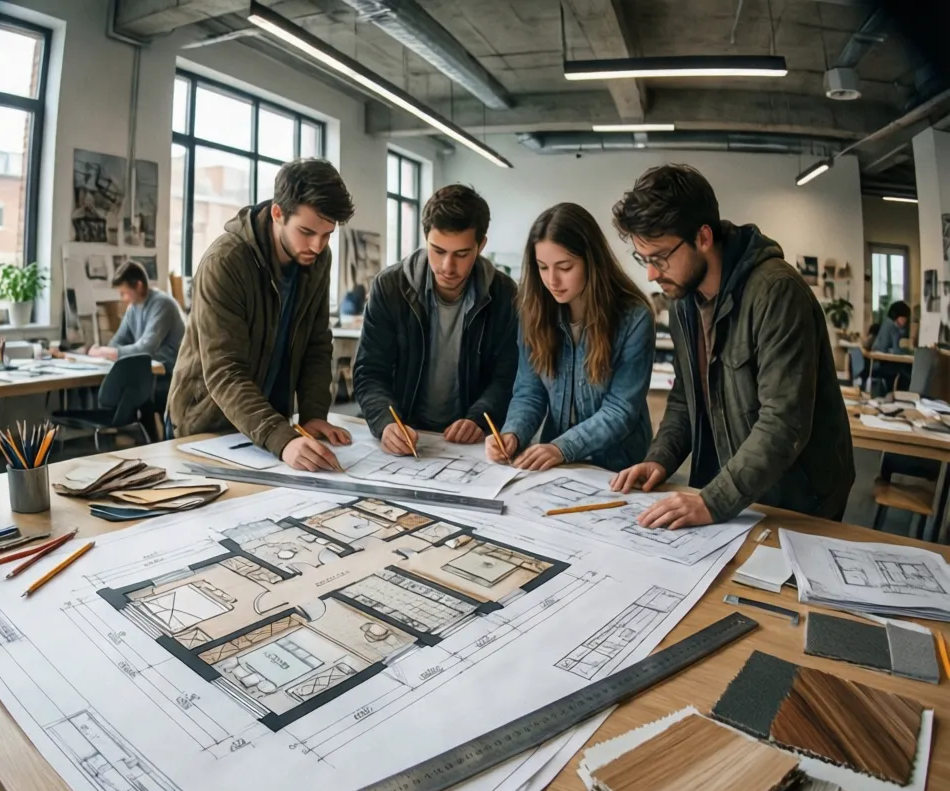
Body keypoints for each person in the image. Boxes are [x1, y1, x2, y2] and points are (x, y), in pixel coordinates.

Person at [610, 164, 854, 526]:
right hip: (736, 492)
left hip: (798, 499)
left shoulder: (776, 292)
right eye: (643, 259)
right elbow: (684, 398)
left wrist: (713, 501)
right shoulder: (683, 302)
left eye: (660, 258)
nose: (651, 274)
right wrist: (659, 458)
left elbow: (783, 422)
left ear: (703, 238)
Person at [166, 158, 355, 471]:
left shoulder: (317, 259)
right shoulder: (225, 262)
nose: (317, 246)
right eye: (307, 231)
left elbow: (317, 344)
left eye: (327, 235)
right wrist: (281, 438)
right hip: (209, 427)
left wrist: (314, 415)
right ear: (278, 213)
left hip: (272, 429)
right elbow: (224, 371)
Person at [485, 202, 654, 471]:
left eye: (564, 267)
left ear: (592, 261)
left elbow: (621, 411)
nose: (552, 280)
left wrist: (562, 447)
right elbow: (530, 392)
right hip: (557, 465)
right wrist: (512, 434)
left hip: (619, 466)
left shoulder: (635, 318)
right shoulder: (533, 312)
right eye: (542, 267)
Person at [353, 184, 519, 454]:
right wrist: (385, 422)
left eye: (461, 254)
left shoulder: (504, 295)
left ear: (481, 245)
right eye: (438, 250)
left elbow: (508, 375)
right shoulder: (390, 287)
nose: (447, 267)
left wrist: (480, 416)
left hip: (470, 444)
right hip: (406, 433)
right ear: (425, 237)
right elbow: (370, 372)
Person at [89, 259, 185, 434]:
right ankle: (147, 440)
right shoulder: (133, 308)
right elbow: (118, 341)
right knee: (128, 387)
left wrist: (108, 352)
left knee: (135, 392)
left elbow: (146, 347)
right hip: (149, 374)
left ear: (139, 286)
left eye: (124, 292)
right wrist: (105, 351)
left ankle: (154, 440)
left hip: (170, 376)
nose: (122, 298)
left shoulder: (162, 304)